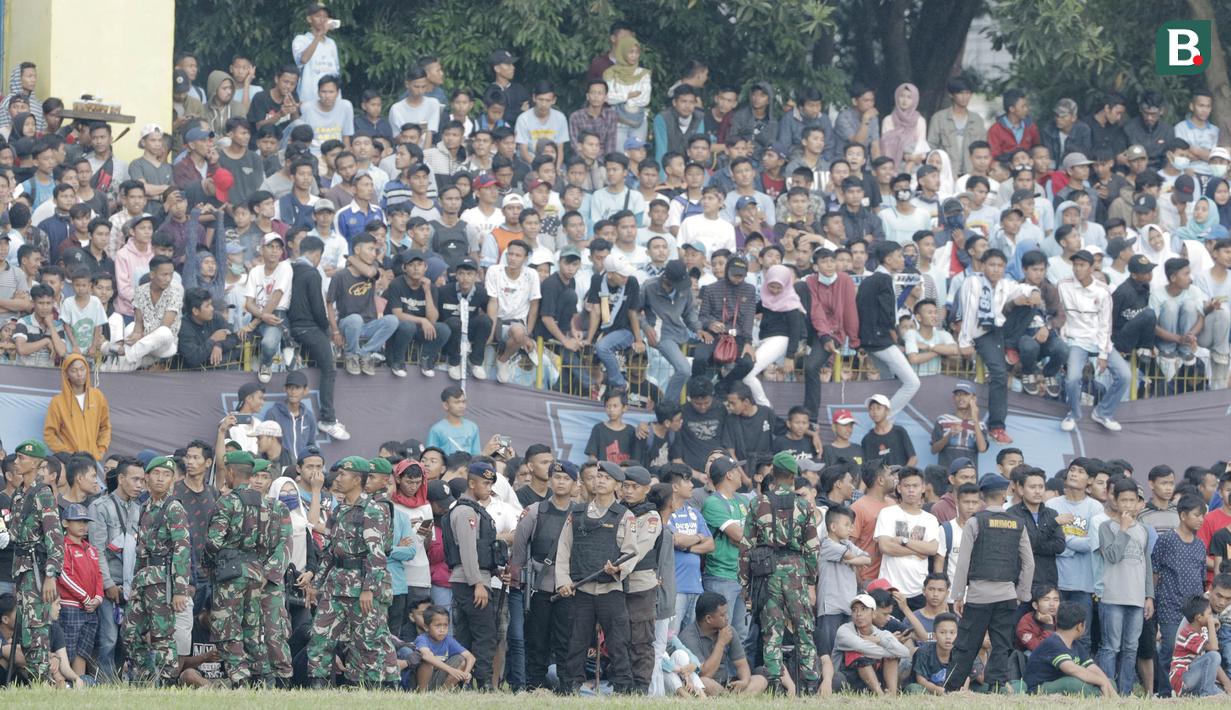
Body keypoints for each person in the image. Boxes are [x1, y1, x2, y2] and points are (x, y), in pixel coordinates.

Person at [304, 456, 398, 687]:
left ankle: (376, 686)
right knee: (320, 636)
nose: (338, 478)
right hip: (336, 584)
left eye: (344, 474)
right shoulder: (341, 510)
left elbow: (376, 555)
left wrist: (368, 590)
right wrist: (316, 584)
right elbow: (329, 551)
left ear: (357, 479)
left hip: (361, 586)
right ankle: (317, 684)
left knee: (368, 641)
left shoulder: (372, 510)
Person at [740, 452, 820, 694]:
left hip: (767, 572)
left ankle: (774, 684)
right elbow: (813, 548)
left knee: (771, 629)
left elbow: (746, 547)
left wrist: (745, 585)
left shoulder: (758, 503)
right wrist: (810, 579)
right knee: (804, 629)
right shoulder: (804, 505)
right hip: (796, 570)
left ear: (772, 474)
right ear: (794, 476)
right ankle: (810, 684)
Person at [944, 473, 1034, 691]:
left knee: (966, 644)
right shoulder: (1018, 524)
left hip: (978, 596)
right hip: (1007, 596)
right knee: (1001, 644)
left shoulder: (975, 522)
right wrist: (1022, 594)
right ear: (1005, 494)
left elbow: (963, 562)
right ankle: (996, 686)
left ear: (982, 496)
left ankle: (951, 688)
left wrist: (957, 595)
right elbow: (1029, 563)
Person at [554, 461, 638, 695]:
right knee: (577, 641)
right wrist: (563, 581)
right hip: (582, 590)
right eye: (597, 476)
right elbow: (564, 549)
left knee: (618, 641)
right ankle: (571, 686)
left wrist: (618, 569)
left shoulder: (624, 515)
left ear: (617, 486)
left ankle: (623, 687)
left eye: (606, 478)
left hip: (611, 591)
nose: (600, 481)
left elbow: (631, 553)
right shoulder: (577, 512)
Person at [509, 460, 577, 690]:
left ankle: (567, 688)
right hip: (539, 588)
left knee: (566, 643)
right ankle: (535, 687)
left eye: (566, 478)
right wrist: (517, 580)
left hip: (569, 589)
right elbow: (518, 551)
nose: (560, 482)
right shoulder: (535, 511)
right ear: (550, 480)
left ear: (574, 484)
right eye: (556, 477)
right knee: (536, 642)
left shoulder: (580, 513)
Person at [123, 456, 190, 685]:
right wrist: (134, 583)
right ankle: (146, 677)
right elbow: (141, 549)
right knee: (130, 632)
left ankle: (168, 683)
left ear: (172, 480)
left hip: (163, 580)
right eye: (157, 474)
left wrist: (180, 589)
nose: (161, 479)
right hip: (143, 578)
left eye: (167, 474)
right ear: (147, 478)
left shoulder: (173, 507)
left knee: (162, 636)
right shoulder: (145, 507)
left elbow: (182, 548)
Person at [441, 462, 502, 690]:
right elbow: (468, 550)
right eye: (485, 483)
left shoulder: (471, 509)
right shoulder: (467, 511)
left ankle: (458, 682)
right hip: (472, 581)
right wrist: (477, 583)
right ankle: (483, 682)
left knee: (465, 635)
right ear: (471, 483)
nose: (489, 488)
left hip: (468, 579)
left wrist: (495, 570)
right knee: (485, 635)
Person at [7, 439, 62, 683]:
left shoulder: (42, 493)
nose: (17, 462)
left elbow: (54, 538)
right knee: (26, 631)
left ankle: (43, 683)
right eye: (17, 457)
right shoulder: (19, 494)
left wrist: (51, 575)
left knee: (37, 629)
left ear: (37, 462)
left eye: (22, 458)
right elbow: (19, 534)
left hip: (37, 571)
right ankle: (36, 681)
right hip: (21, 569)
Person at [1095, 477, 1154, 695]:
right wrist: (1123, 529)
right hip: (1113, 598)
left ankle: (1126, 692)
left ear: (1138, 502)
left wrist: (1149, 596)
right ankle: (1107, 690)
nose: (1128, 505)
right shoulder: (1106, 527)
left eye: (1132, 500)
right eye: (1124, 500)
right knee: (1111, 647)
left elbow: (1146, 564)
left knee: (1131, 648)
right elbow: (1111, 556)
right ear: (1115, 501)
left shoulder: (1145, 530)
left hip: (1136, 599)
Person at [287, 236, 349, 440]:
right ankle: (328, 419)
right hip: (308, 327)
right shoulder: (312, 273)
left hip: (291, 327)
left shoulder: (289, 269)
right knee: (330, 369)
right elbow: (317, 307)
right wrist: (327, 329)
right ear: (316, 254)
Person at [1059, 249, 1128, 432]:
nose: (1077, 269)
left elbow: (1106, 325)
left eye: (1081, 265)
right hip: (1076, 341)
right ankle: (1073, 414)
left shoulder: (1103, 291)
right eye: (1075, 265)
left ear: (1091, 268)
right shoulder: (1063, 285)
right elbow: (1059, 314)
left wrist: (1103, 353)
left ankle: (1103, 412)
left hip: (1099, 341)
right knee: (1072, 378)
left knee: (1125, 375)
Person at [1153, 495, 1211, 696]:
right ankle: (1164, 693)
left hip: (1194, 610)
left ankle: (1189, 692)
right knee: (1169, 650)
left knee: (1194, 651)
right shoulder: (1167, 540)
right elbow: (1155, 572)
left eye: (1203, 515)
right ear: (1183, 515)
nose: (1201, 519)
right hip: (1169, 605)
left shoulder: (1200, 544)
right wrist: (1152, 599)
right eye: (1197, 515)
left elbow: (1201, 578)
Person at [856, 242, 919, 416]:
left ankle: (883, 418)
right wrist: (893, 337)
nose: (903, 260)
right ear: (888, 259)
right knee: (912, 383)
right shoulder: (882, 280)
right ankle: (885, 417)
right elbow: (887, 315)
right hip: (880, 340)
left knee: (887, 381)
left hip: (871, 339)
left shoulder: (873, 279)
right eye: (899, 256)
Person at [678, 591, 769, 696]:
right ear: (708, 619)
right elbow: (705, 673)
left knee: (760, 680)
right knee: (703, 681)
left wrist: (744, 681)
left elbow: (741, 664)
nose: (727, 618)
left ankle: (729, 698)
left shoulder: (728, 630)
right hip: (705, 683)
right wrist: (721, 643)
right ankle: (732, 698)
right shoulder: (688, 637)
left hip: (726, 684)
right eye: (722, 615)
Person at [1023, 601, 1117, 696]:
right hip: (1040, 687)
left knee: (1110, 682)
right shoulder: (1052, 643)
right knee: (1072, 683)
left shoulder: (1075, 644)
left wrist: (1105, 682)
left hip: (1063, 684)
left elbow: (1091, 667)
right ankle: (1098, 695)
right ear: (1080, 627)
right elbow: (1072, 669)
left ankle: (1098, 694)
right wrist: (1101, 682)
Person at [56, 503, 102, 679]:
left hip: (90, 607)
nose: (83, 525)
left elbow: (98, 575)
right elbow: (63, 576)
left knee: (83, 650)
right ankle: (64, 684)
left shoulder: (91, 549)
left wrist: (98, 598)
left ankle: (79, 685)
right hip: (71, 606)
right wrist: (85, 598)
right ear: (65, 523)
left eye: (85, 521)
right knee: (67, 649)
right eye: (78, 521)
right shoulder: (62, 546)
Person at [833, 593, 910, 695]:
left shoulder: (881, 634)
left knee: (892, 657)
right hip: (846, 680)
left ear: (874, 614)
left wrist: (879, 641)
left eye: (863, 609)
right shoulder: (844, 630)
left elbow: (905, 652)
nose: (858, 614)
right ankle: (880, 695)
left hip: (872, 679)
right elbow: (861, 646)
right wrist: (890, 652)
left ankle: (892, 693)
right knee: (857, 654)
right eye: (854, 610)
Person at [42, 353, 110, 459]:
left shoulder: (98, 396)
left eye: (82, 369)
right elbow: (49, 433)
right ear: (66, 374)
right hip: (70, 463)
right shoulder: (57, 402)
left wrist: (101, 450)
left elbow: (105, 427)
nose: (79, 374)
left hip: (92, 460)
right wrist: (67, 454)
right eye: (74, 370)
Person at [414, 605, 476, 691]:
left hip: (438, 677)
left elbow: (470, 657)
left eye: (445, 625)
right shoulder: (422, 639)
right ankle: (422, 692)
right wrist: (451, 670)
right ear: (426, 627)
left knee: (461, 659)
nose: (442, 630)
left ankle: (443, 691)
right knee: (427, 662)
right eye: (438, 625)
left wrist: (466, 673)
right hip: (421, 679)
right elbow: (426, 656)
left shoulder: (448, 640)